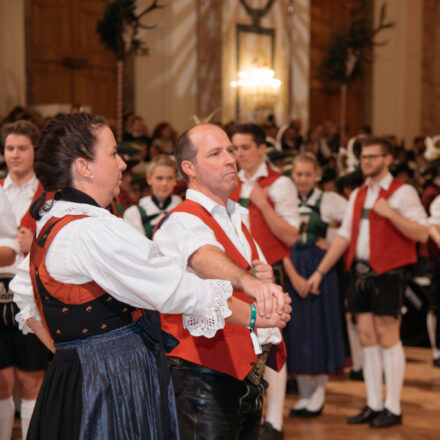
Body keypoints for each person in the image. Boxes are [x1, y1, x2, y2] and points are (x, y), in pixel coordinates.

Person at [9, 113, 289, 440]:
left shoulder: (55, 221)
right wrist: (255, 314)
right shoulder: (92, 230)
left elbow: (25, 299)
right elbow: (178, 289)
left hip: (82, 378)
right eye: (113, 154)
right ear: (84, 167)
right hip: (111, 383)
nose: (123, 165)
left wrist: (70, 354)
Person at [154, 123, 290, 440]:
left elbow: (249, 271)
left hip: (246, 374)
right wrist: (252, 284)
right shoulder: (182, 219)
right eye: (216, 153)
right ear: (189, 168)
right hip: (203, 377)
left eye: (230, 150)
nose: (230, 158)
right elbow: (203, 257)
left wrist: (264, 280)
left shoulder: (234, 216)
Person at [308, 137, 428, 428]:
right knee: (366, 336)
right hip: (360, 272)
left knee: (388, 336)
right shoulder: (359, 193)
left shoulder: (403, 193)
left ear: (388, 159)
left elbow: (422, 234)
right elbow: (344, 235)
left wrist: (392, 214)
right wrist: (320, 272)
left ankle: (393, 407)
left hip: (389, 272)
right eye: (364, 158)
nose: (367, 162)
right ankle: (374, 404)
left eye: (374, 157)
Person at [230, 123, 299, 439]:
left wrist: (261, 201)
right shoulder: (228, 180)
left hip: (269, 270)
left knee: (272, 342)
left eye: (244, 147)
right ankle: (250, 409)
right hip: (237, 273)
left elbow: (290, 235)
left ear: (261, 149)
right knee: (244, 342)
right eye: (234, 148)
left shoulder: (280, 183)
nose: (238, 154)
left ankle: (275, 420)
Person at [281, 153, 347, 419]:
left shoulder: (328, 200)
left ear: (316, 175)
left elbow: (351, 227)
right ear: (292, 176)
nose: (303, 179)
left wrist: (330, 244)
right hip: (293, 266)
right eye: (299, 174)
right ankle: (305, 394)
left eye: (308, 174)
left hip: (321, 269)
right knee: (298, 331)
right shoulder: (285, 202)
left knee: (320, 329)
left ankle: (318, 395)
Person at [0, 120, 52, 440]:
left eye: (22, 148)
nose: (15, 155)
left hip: (33, 292)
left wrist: (31, 246)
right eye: (9, 148)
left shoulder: (48, 194)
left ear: (35, 151)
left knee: (31, 382)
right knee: (1, 383)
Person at [123, 155, 182, 238]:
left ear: (175, 180)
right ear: (149, 180)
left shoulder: (184, 211)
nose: (164, 183)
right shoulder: (135, 214)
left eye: (169, 178)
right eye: (159, 178)